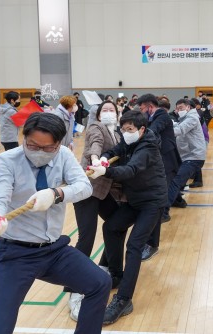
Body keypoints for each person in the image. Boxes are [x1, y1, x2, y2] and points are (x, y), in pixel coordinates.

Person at [0, 112, 110, 334]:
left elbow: (84, 186)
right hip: (14, 254)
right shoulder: (5, 161)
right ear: (24, 138)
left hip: (54, 250)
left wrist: (57, 193)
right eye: (33, 145)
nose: (40, 152)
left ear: (59, 143)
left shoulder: (64, 156)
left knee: (99, 283)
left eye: (48, 148)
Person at [87, 110, 168, 325]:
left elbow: (131, 169)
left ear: (142, 130)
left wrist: (105, 172)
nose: (126, 133)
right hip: (135, 201)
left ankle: (123, 299)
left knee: (134, 246)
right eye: (123, 129)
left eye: (130, 129)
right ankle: (116, 273)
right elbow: (115, 149)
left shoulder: (148, 146)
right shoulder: (128, 141)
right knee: (111, 227)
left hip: (152, 203)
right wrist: (103, 159)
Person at [66, 100, 122, 321]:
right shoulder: (97, 127)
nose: (108, 113)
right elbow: (94, 146)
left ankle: (105, 267)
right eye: (104, 110)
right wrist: (96, 161)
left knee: (116, 225)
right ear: (98, 114)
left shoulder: (117, 132)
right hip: (88, 187)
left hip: (105, 191)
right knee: (86, 238)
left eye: (112, 110)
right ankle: (74, 289)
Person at [137, 94, 181, 259]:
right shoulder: (154, 117)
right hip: (160, 164)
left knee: (157, 204)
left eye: (142, 109)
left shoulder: (162, 116)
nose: (142, 112)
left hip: (167, 163)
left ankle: (152, 245)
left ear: (149, 106)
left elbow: (152, 131)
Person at [164, 98, 207, 219]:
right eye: (177, 109)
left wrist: (162, 132)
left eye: (181, 108)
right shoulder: (185, 118)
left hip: (194, 157)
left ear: (188, 108)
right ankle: (178, 201)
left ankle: (164, 212)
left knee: (175, 182)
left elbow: (179, 130)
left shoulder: (192, 118)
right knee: (173, 179)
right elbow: (178, 126)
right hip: (187, 156)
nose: (178, 111)